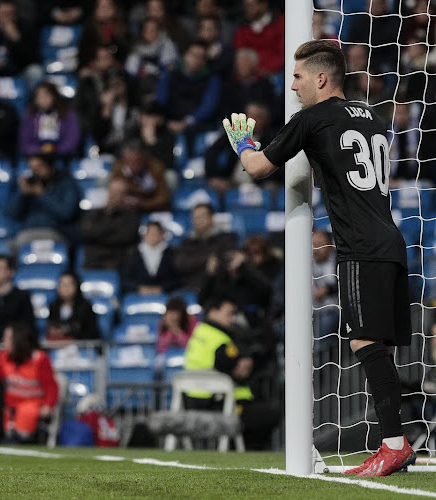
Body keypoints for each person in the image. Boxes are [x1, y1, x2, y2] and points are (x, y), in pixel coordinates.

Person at [222, 40, 415, 476]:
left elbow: (256, 169)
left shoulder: (311, 119)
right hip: (390, 239)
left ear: (321, 78)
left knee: (365, 342)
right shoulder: (373, 117)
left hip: (360, 248)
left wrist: (243, 143)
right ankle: (396, 442)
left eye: (298, 77)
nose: (293, 87)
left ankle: (393, 443)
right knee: (381, 347)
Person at [183, 296, 280, 450]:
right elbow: (238, 370)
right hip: (218, 403)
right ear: (213, 312)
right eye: (229, 313)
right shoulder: (220, 339)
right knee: (272, 414)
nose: (233, 318)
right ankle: (247, 452)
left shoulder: (199, 332)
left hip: (191, 401)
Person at [0, 322, 59, 443]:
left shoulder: (39, 359)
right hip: (9, 403)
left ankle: (23, 440)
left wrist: (48, 405)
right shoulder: (2, 357)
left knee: (27, 412)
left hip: (32, 402)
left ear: (17, 340)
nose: (3, 341)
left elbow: (51, 386)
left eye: (7, 338)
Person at [5, 153, 81, 248]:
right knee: (11, 246)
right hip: (28, 231)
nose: (35, 171)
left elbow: (66, 213)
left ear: (51, 166)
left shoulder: (66, 183)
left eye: (39, 167)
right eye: (32, 168)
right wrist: (22, 194)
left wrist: (42, 194)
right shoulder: (29, 184)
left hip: (57, 232)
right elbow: (12, 214)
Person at [154, 40, 221, 135]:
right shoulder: (170, 74)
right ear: (185, 55)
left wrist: (186, 122)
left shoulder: (212, 80)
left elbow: (208, 106)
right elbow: (160, 100)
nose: (196, 60)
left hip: (197, 126)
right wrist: (163, 119)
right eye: (194, 55)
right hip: (169, 123)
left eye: (201, 57)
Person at [78, 177, 141, 271]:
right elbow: (86, 234)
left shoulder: (132, 216)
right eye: (111, 191)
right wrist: (113, 227)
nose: (112, 196)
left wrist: (98, 236)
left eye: (117, 193)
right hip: (93, 262)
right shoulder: (95, 214)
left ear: (125, 196)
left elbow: (126, 238)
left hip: (117, 262)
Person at [174, 202, 237, 290]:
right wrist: (209, 258)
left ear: (211, 218)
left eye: (202, 216)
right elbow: (181, 264)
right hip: (191, 288)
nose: (198, 220)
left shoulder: (226, 238)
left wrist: (195, 260)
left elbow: (228, 260)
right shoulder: (187, 242)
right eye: (195, 217)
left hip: (218, 289)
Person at [19, 82, 82, 160]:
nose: (43, 100)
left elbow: (72, 141)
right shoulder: (30, 117)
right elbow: (25, 143)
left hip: (63, 157)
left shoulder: (68, 116)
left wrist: (55, 150)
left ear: (54, 96)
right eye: (39, 97)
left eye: (46, 96)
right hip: (38, 157)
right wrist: (40, 150)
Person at [110, 139, 170, 212]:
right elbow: (113, 195)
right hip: (125, 210)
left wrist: (144, 204)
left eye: (137, 162)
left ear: (144, 159)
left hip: (151, 209)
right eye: (129, 161)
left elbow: (163, 198)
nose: (132, 166)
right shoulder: (118, 168)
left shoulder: (156, 168)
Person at [121, 221, 179, 295]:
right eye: (150, 233)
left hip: (165, 294)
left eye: (156, 233)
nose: (153, 236)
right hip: (138, 295)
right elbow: (126, 279)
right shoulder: (134, 253)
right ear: (145, 236)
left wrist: (162, 288)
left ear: (162, 235)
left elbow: (176, 279)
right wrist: (138, 288)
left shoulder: (171, 253)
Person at [47, 272, 101, 341]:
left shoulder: (85, 307)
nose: (65, 288)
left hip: (80, 346)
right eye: (62, 285)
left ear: (76, 286)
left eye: (68, 285)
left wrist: (68, 331)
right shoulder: (53, 306)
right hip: (57, 345)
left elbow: (90, 333)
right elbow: (50, 328)